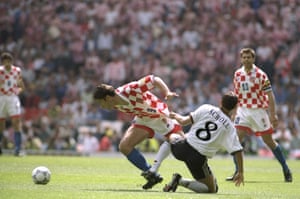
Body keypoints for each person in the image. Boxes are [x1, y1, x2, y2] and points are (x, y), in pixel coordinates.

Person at [93, 75, 185, 189]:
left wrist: (167, 92)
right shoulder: (114, 103)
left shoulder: (130, 89)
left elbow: (154, 79)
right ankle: (152, 174)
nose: (102, 107)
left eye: (101, 103)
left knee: (184, 148)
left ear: (107, 98)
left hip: (160, 115)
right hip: (143, 118)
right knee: (124, 146)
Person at [226, 47, 292, 182]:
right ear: (241, 59)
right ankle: (237, 172)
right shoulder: (238, 74)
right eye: (244, 57)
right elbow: (237, 94)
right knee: (235, 141)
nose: (246, 59)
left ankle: (286, 169)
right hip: (243, 110)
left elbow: (270, 95)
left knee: (269, 141)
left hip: (258, 111)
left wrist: (273, 115)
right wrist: (234, 111)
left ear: (253, 59)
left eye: (248, 57)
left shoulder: (260, 75)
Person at [163, 92, 244, 193]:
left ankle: (154, 168)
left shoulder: (206, 108)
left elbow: (183, 121)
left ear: (221, 101)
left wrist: (175, 115)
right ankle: (179, 180)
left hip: (181, 148)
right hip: (197, 158)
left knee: (172, 136)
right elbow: (238, 150)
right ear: (236, 107)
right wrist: (240, 171)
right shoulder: (229, 127)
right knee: (212, 189)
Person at [0, 52, 25, 156]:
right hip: (1, 98)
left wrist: (17, 91)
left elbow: (21, 86)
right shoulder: (0, 71)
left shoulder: (17, 71)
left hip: (12, 98)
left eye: (9, 61)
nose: (7, 64)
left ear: (12, 61)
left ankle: (18, 149)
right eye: (5, 61)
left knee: (16, 122)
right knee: (1, 125)